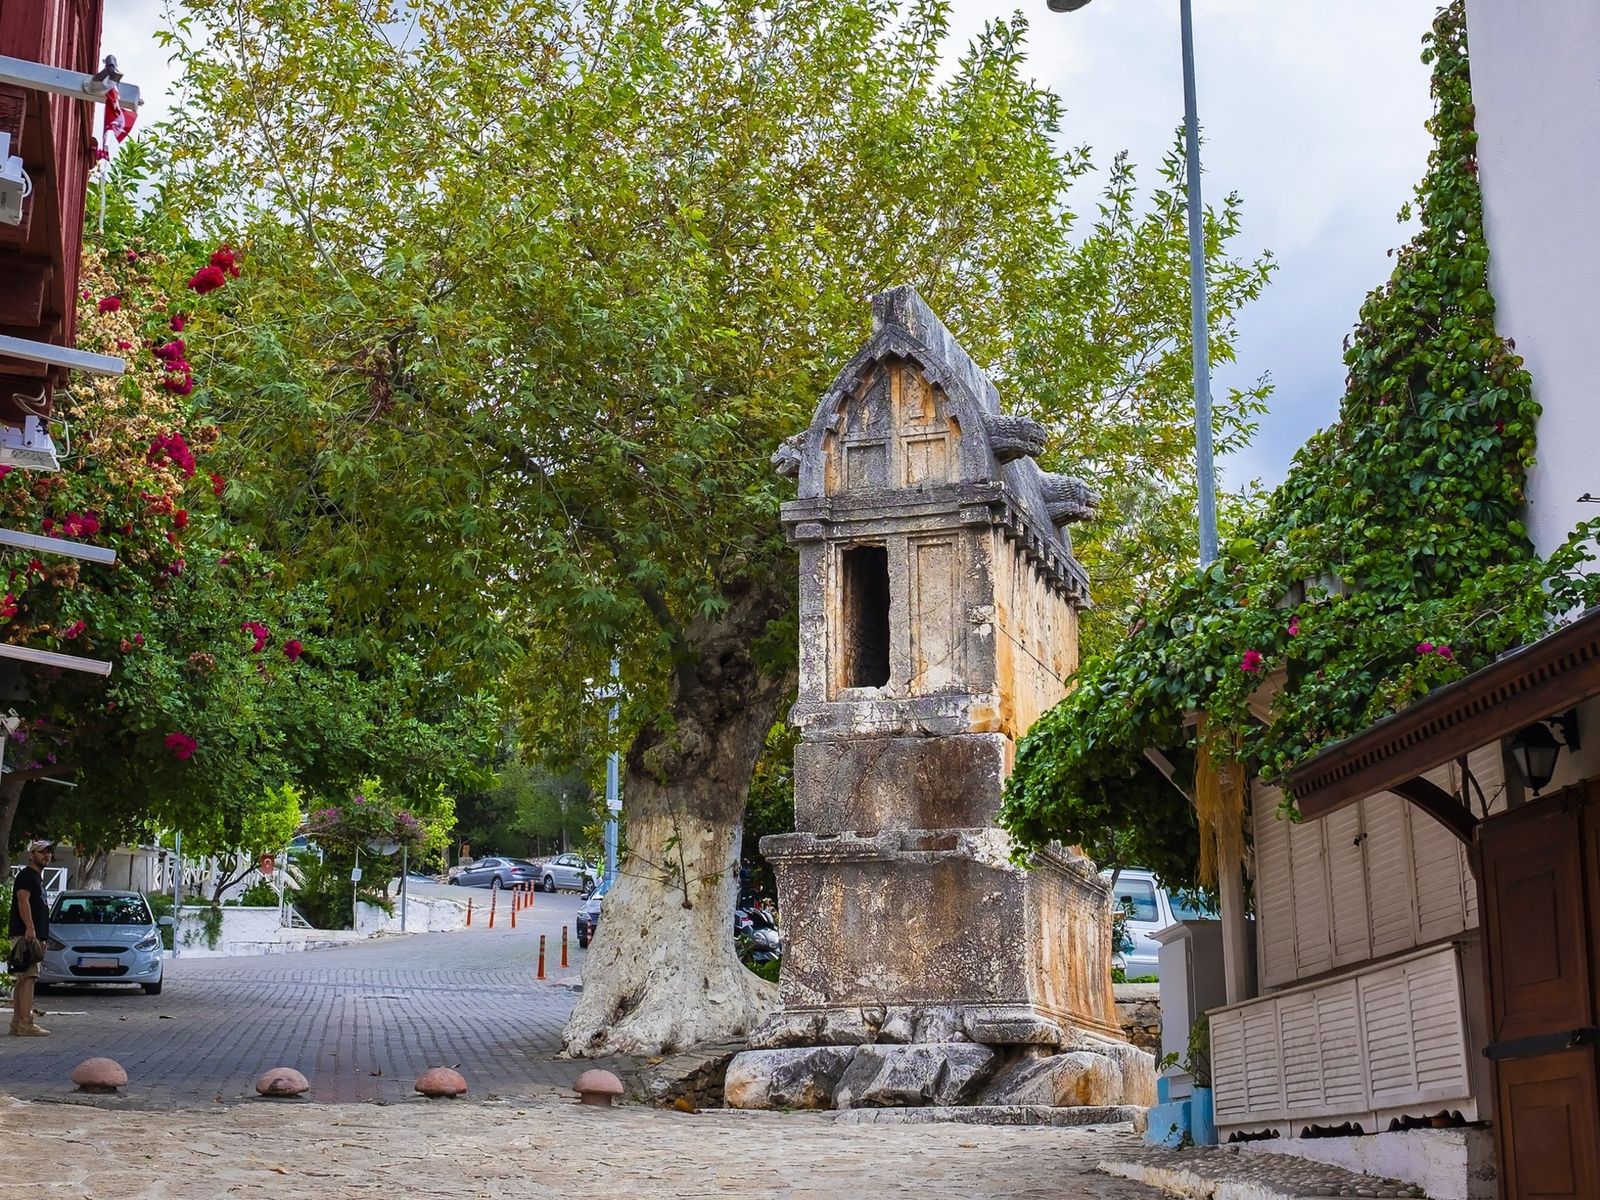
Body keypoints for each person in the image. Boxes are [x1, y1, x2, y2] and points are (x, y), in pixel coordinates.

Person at [8, 838, 53, 1036]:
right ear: (31, 854)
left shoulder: (37, 878)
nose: (46, 855)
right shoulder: (27, 876)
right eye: (42, 851)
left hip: (33, 934)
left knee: (23, 978)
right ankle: (26, 1022)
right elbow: (22, 901)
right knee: (29, 977)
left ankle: (18, 1022)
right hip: (26, 934)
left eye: (49, 852)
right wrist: (30, 929)